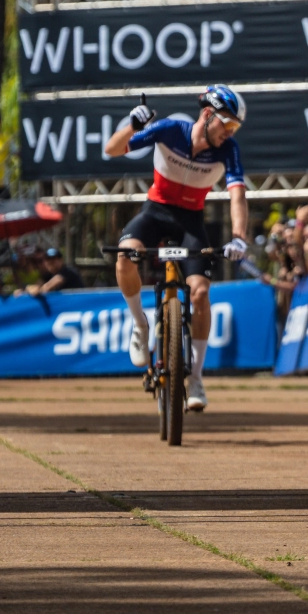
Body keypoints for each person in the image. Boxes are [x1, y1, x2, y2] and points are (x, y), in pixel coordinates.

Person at [104, 86, 250, 413]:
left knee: (200, 293)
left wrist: (239, 237)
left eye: (235, 127)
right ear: (207, 114)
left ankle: (195, 377)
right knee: (125, 257)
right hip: (155, 211)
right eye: (226, 124)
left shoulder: (228, 150)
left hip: (191, 222)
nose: (230, 132)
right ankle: (140, 325)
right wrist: (133, 125)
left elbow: (237, 195)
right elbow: (112, 149)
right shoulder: (171, 130)